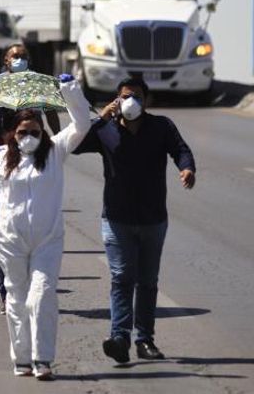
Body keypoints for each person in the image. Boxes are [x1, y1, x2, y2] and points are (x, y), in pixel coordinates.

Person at [0, 74, 90, 380]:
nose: (28, 136)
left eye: (33, 131)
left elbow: (82, 125)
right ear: (13, 134)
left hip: (47, 240)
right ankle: (22, 359)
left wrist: (70, 90)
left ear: (42, 133)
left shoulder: (56, 151)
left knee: (42, 296)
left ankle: (43, 359)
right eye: (22, 132)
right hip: (10, 241)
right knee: (16, 300)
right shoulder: (1, 157)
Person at [73, 76, 196, 364]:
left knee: (148, 282)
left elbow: (181, 150)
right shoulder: (106, 131)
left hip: (153, 219)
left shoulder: (161, 126)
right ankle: (120, 338)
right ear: (117, 100)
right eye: (127, 96)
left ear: (146, 100)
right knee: (121, 278)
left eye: (138, 96)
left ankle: (145, 340)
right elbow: (76, 145)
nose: (132, 101)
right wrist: (101, 119)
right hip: (117, 219)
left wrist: (187, 169)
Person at [1, 44, 62, 136]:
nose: (20, 60)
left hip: (34, 134)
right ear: (6, 60)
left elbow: (50, 112)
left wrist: (58, 137)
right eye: (16, 56)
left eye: (23, 57)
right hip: (9, 135)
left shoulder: (37, 81)